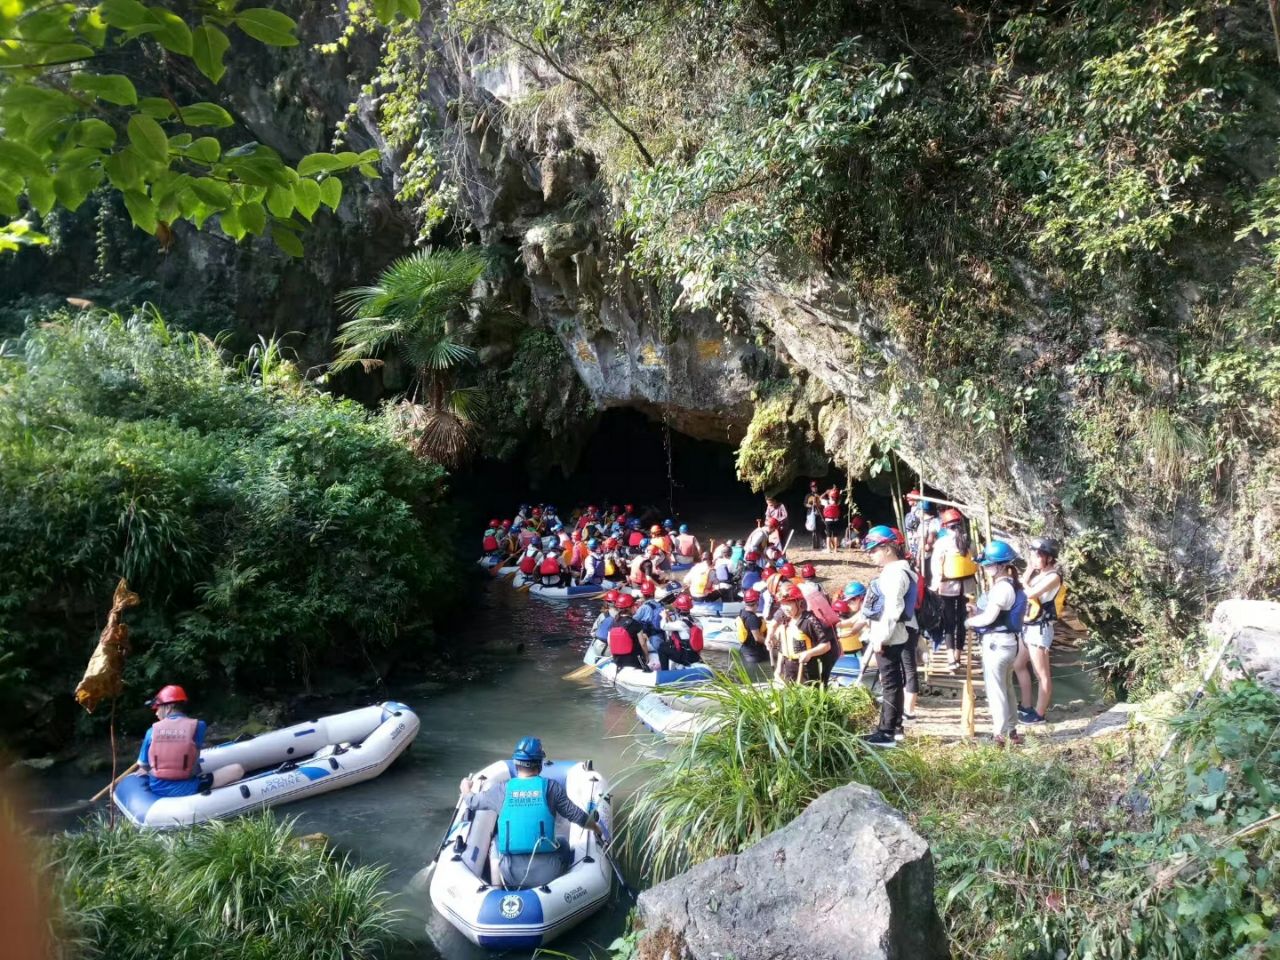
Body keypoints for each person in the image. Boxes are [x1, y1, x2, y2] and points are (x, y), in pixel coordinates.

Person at [458, 737, 603, 889]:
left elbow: (472, 801)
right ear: (539, 764)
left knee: (496, 841)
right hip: (549, 872)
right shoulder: (551, 788)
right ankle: (563, 888)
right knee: (563, 842)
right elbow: (578, 816)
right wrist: (597, 829)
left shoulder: (501, 790)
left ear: (516, 764)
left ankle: (497, 888)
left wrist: (465, 788)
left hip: (510, 874)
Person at [966, 540, 1028, 747]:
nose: (986, 567)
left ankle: (999, 734)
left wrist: (969, 622)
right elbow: (998, 615)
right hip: (1009, 644)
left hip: (997, 645)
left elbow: (989, 618)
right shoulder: (1012, 585)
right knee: (1007, 687)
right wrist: (977, 611)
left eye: (989, 564)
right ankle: (1011, 731)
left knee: (996, 690)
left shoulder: (1002, 588)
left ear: (1000, 565)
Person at [861, 526, 917, 747]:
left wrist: (880, 638)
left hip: (889, 637)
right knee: (892, 682)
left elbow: (893, 609)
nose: (871, 555)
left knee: (891, 684)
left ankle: (887, 733)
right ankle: (891, 728)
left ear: (887, 549)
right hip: (893, 635)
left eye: (874, 550)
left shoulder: (895, 574)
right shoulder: (898, 571)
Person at [135, 686, 244, 797]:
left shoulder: (151, 731)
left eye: (158, 708)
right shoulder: (199, 726)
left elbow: (144, 765)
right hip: (188, 787)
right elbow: (194, 757)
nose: (156, 713)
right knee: (237, 769)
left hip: (157, 788)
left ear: (169, 707)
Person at [1015, 537, 1064, 726]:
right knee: (1019, 664)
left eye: (1037, 556)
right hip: (1028, 626)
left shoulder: (1053, 577)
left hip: (1040, 629)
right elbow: (1023, 587)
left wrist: (1024, 579)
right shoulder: (1038, 575)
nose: (1033, 559)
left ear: (1049, 558)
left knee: (1041, 673)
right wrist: (1028, 572)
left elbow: (1030, 593)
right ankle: (1026, 705)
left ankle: (1039, 714)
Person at [930, 508, 975, 670]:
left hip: (947, 587)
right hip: (967, 587)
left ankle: (951, 660)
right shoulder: (970, 542)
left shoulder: (942, 543)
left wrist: (934, 586)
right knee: (961, 621)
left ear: (945, 526)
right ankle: (958, 656)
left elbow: (937, 566)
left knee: (949, 621)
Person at [774, 584, 832, 685]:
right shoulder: (785, 620)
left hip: (807, 669)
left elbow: (826, 645)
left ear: (799, 602)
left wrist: (809, 653)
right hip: (788, 668)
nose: (785, 608)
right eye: (782, 604)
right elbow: (782, 648)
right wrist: (779, 668)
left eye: (788, 603)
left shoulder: (810, 621)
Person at [607, 594, 653, 671]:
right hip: (633, 660)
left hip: (618, 660)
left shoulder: (614, 622)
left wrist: (614, 656)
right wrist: (646, 657)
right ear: (630, 608)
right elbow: (643, 644)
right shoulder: (635, 623)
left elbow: (609, 642)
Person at [657, 594, 705, 669]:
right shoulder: (696, 621)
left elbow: (663, 626)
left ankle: (664, 672)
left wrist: (664, 617)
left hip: (686, 657)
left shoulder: (680, 624)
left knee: (662, 647)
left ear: (678, 609)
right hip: (695, 655)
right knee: (667, 645)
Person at [734, 589, 769, 662]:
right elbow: (757, 638)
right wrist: (768, 642)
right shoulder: (752, 618)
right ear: (757, 602)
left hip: (744, 652)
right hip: (754, 655)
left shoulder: (742, 612)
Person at [821, 485, 841, 553]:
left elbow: (820, 498)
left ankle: (828, 549)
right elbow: (839, 497)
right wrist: (836, 492)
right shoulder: (837, 503)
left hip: (828, 521)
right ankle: (835, 549)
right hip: (836, 520)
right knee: (835, 535)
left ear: (830, 496)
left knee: (828, 535)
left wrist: (826, 492)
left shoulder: (826, 502)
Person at [804, 480, 822, 550]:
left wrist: (818, 504)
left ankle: (818, 544)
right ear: (811, 488)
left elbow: (822, 504)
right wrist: (812, 506)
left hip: (818, 514)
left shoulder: (819, 495)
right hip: (811, 514)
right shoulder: (808, 495)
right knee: (813, 529)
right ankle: (814, 545)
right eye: (813, 487)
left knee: (818, 529)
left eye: (815, 486)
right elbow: (805, 504)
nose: (814, 488)